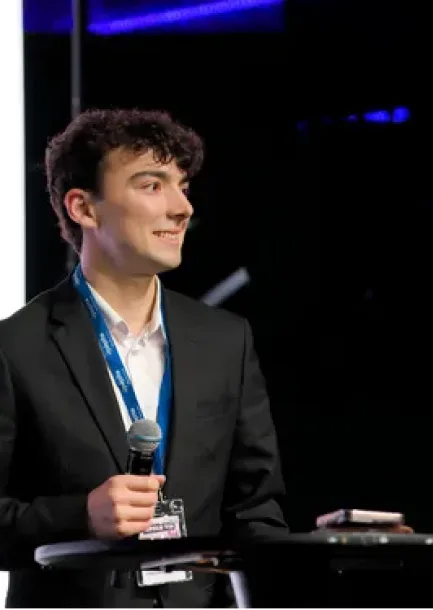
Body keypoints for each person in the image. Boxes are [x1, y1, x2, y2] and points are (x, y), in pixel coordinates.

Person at [0, 109, 288, 607]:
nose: (182, 207)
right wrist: (80, 516)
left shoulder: (225, 340)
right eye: (152, 185)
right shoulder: (15, 346)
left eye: (183, 186)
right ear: (83, 208)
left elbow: (256, 512)